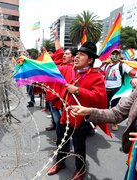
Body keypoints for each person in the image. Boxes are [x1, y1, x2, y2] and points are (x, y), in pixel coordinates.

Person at [47, 42, 110, 180]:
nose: (76, 57)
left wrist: (77, 90)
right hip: (66, 115)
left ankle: (80, 170)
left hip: (82, 119)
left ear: (90, 60)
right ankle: (60, 163)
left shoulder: (96, 76)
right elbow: (52, 67)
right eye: (76, 54)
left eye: (81, 55)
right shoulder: (72, 71)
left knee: (79, 146)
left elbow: (99, 96)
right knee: (61, 142)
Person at [101, 49, 137, 131]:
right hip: (105, 88)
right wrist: (102, 62)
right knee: (105, 106)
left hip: (116, 89)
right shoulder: (107, 65)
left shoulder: (122, 65)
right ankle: (104, 122)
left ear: (119, 56)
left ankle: (114, 123)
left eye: (116, 54)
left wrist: (135, 78)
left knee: (115, 106)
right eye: (113, 54)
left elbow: (133, 71)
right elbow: (98, 70)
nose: (114, 55)